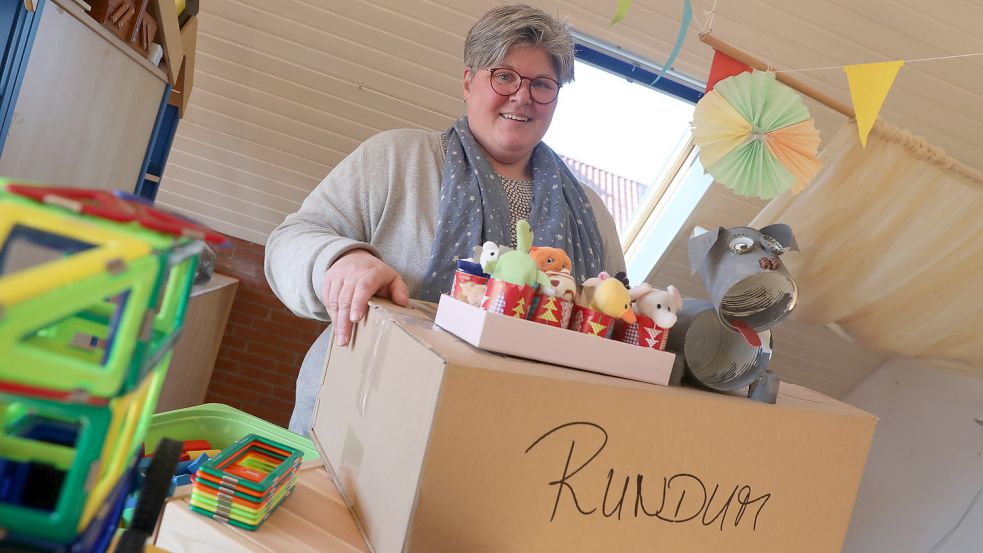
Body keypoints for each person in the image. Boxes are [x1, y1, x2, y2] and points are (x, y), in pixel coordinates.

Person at [266, 3, 626, 435]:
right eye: (504, 76)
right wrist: (338, 260)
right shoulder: (397, 158)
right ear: (468, 82)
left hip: (519, 438)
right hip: (357, 417)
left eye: (543, 84)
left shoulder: (591, 213)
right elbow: (290, 240)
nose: (522, 96)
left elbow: (619, 315)